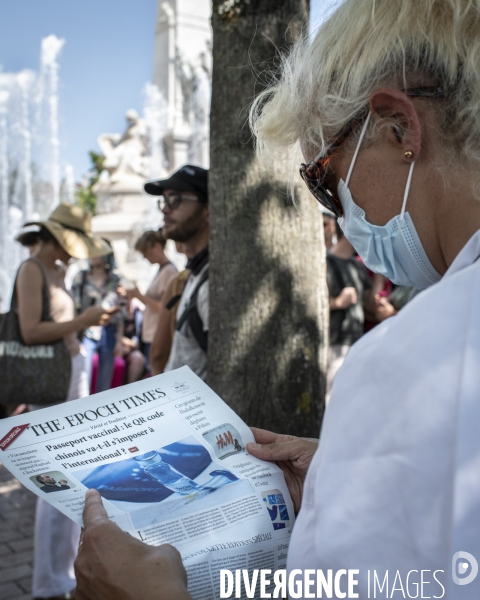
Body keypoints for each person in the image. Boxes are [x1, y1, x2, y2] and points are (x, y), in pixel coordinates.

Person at [75, 0, 480, 598]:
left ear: (399, 128)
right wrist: (348, 477)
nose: (337, 213)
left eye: (323, 178)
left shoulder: (414, 360)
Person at [15, 203, 116, 600]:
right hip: (53, 380)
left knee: (73, 477)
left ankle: (65, 572)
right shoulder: (32, 269)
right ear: (57, 237)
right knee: (55, 480)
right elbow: (30, 331)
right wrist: (84, 321)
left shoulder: (57, 269)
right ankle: (50, 581)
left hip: (71, 372)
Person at [144, 164, 209, 381]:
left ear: (208, 210)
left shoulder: (213, 283)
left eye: (176, 199)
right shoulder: (194, 274)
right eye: (164, 201)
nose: (165, 209)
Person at [326, 227, 371, 401]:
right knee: (332, 395)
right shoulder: (325, 262)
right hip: (336, 342)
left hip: (359, 341)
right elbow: (311, 304)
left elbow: (368, 303)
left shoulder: (358, 266)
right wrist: (338, 302)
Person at [71, 250, 123, 393]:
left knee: (105, 382)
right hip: (86, 332)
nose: (94, 254)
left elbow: (120, 313)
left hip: (108, 332)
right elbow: (74, 307)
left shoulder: (115, 279)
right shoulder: (80, 277)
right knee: (83, 378)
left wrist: (119, 340)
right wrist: (74, 335)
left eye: (98, 251)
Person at [131, 229, 177, 368]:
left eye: (146, 252)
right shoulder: (162, 270)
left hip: (157, 336)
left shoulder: (169, 271)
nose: (145, 257)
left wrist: (139, 296)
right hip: (151, 334)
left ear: (157, 246)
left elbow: (165, 307)